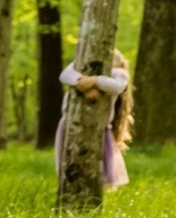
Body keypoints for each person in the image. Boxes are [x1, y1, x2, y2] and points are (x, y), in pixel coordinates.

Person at [55, 50, 133, 188]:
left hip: (99, 128)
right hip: (69, 124)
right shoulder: (80, 68)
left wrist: (94, 81)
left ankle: (91, 196)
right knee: (69, 163)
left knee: (96, 166)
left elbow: (117, 86)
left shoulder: (118, 74)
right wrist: (83, 86)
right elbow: (64, 75)